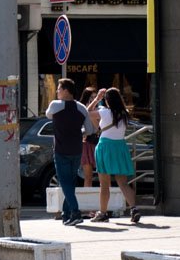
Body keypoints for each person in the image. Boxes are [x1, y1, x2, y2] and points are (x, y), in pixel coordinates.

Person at [45, 79, 95, 225]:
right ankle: (67, 215)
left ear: (66, 90)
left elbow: (48, 115)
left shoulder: (55, 105)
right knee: (70, 182)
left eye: (59, 89)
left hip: (61, 149)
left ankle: (75, 212)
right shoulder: (81, 108)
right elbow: (90, 130)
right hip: (76, 149)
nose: (57, 91)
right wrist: (80, 133)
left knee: (65, 182)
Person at [88, 87, 139, 224]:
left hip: (105, 146)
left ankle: (103, 213)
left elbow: (87, 112)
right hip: (120, 146)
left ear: (107, 101)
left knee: (104, 184)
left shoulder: (104, 112)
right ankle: (134, 209)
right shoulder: (125, 114)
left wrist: (97, 99)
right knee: (123, 183)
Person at [79, 86, 99, 188]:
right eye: (91, 97)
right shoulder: (81, 109)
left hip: (97, 142)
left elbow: (97, 129)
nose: (94, 100)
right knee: (88, 176)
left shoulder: (99, 110)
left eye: (96, 97)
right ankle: (86, 199)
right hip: (86, 144)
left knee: (103, 175)